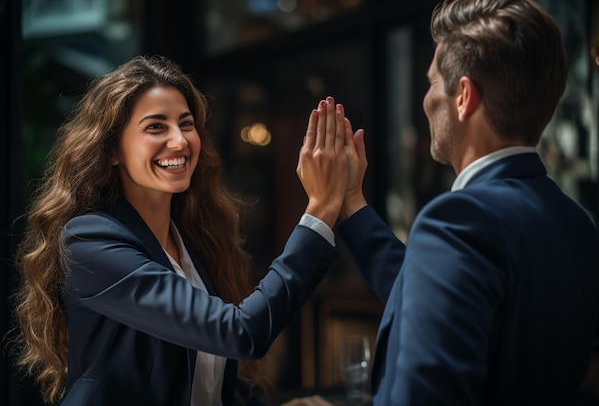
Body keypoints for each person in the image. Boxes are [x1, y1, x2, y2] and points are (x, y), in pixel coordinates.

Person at [12, 55, 352, 406]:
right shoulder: (90, 240)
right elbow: (240, 333)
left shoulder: (195, 238)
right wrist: (321, 209)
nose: (179, 141)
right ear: (112, 149)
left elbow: (204, 383)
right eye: (156, 126)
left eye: (185, 124)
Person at [331, 0, 599, 405]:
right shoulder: (576, 222)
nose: (426, 100)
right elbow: (436, 297)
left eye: (432, 83)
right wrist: (351, 201)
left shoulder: (459, 219)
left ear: (463, 97)